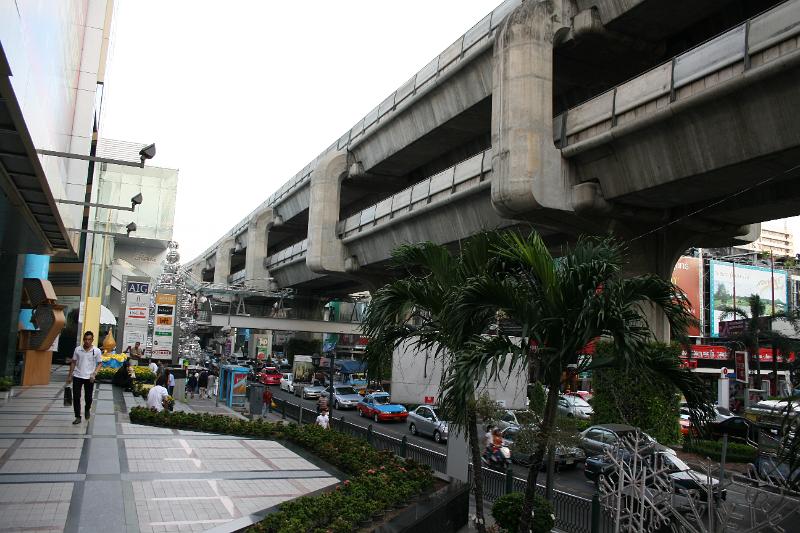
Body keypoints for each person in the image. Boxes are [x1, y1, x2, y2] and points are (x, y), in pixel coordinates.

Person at [67, 331, 103, 424]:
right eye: (86, 339)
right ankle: (77, 416)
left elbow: (100, 363)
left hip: (89, 377)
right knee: (76, 397)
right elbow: (73, 362)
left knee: (88, 398)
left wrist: (94, 373)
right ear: (83, 339)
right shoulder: (78, 349)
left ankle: (87, 409)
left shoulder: (96, 351)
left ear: (92, 340)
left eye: (89, 339)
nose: (87, 341)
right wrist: (70, 375)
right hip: (77, 376)